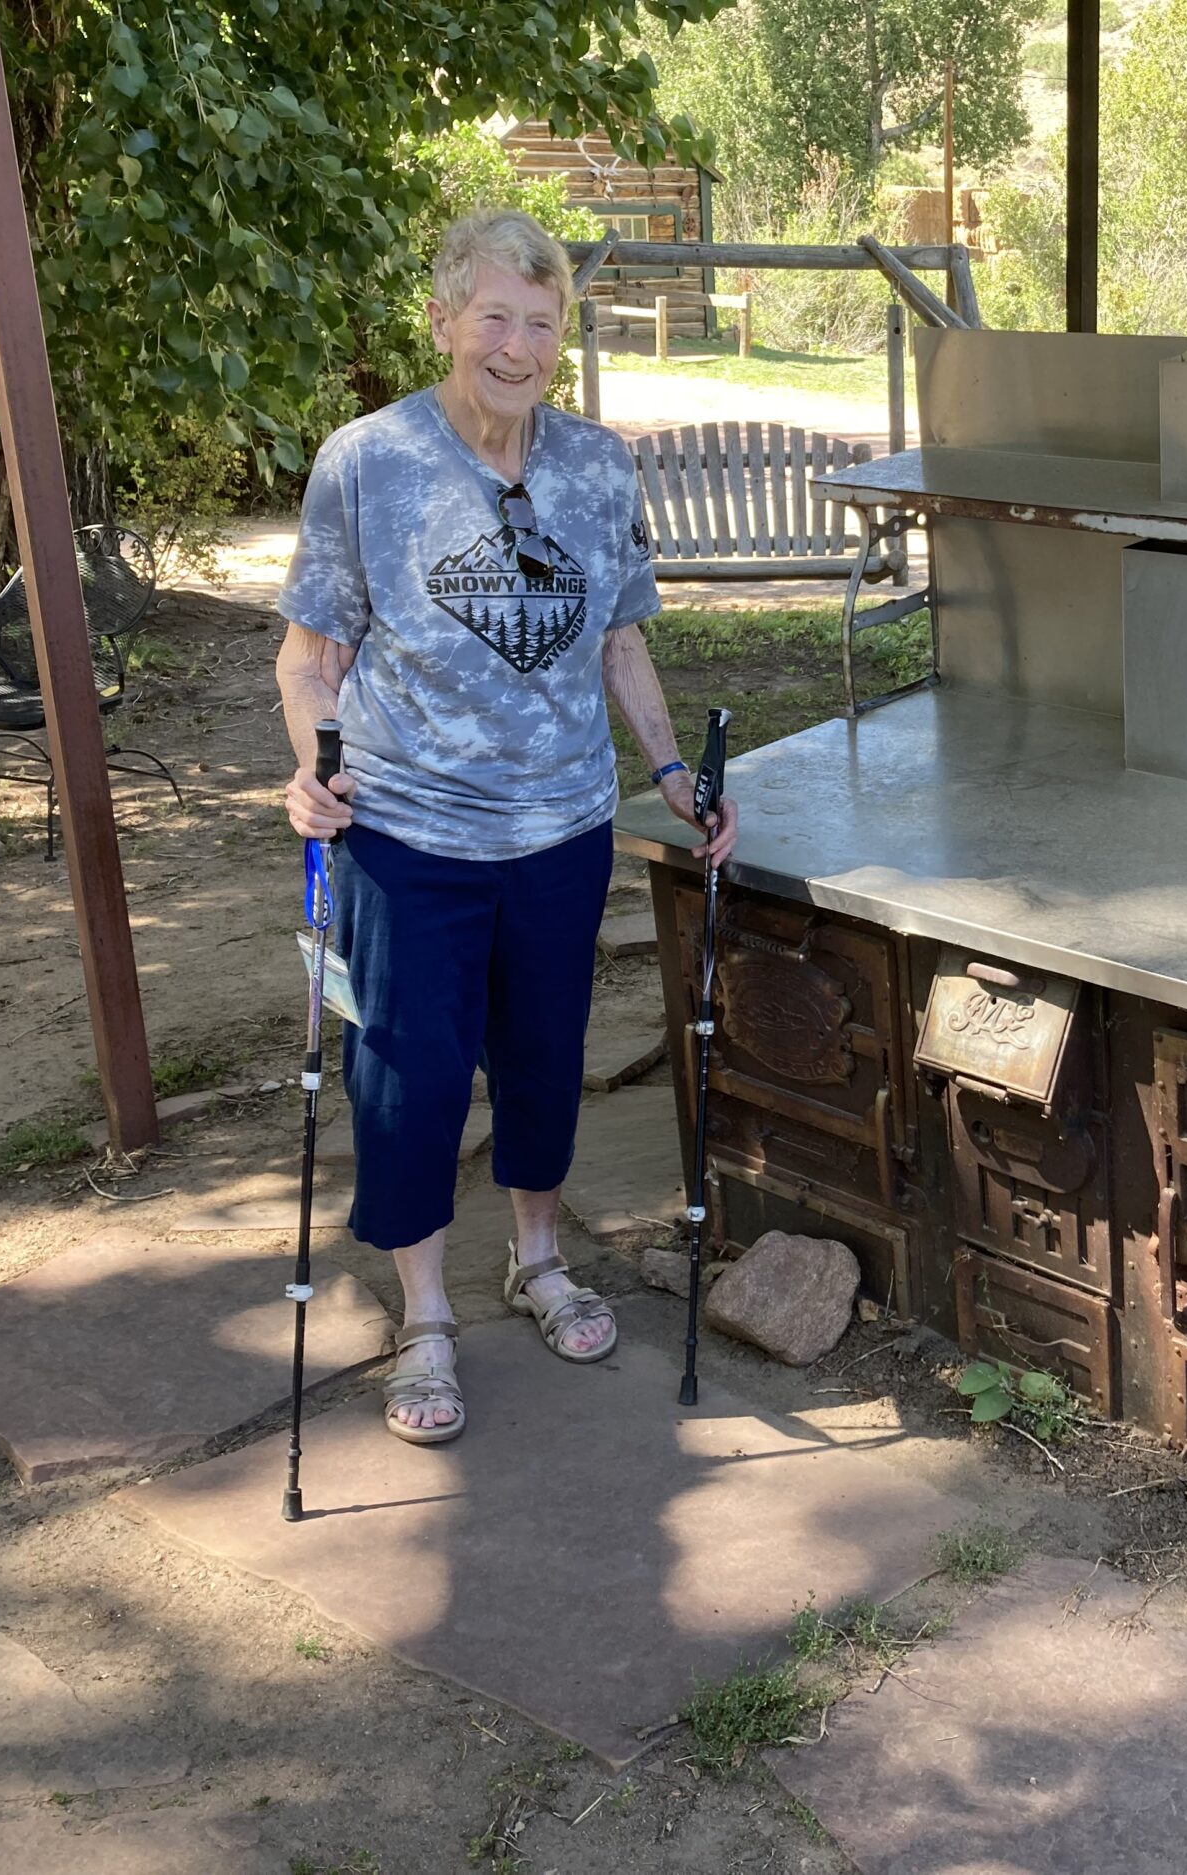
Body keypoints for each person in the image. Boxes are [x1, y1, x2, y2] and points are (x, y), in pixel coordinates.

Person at [275, 209, 736, 1445]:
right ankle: (425, 1313)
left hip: (560, 830)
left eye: (541, 323)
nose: (517, 347)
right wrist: (311, 770)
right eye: (494, 318)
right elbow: (310, 658)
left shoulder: (596, 465)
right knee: (408, 1077)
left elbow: (620, 638)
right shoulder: (368, 462)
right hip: (407, 833)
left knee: (541, 1057)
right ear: (443, 321)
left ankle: (538, 1260)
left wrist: (671, 769)